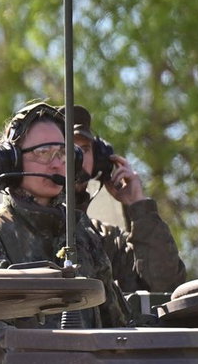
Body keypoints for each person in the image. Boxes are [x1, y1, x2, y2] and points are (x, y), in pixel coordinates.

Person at [0, 101, 130, 329]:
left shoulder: (80, 230)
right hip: (21, 363)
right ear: (12, 160)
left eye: (62, 153)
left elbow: (117, 325)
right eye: (43, 153)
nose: (57, 164)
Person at [70, 106, 187, 296]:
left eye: (84, 149)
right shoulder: (13, 228)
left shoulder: (104, 240)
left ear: (99, 161)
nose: (78, 158)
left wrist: (138, 205)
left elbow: (166, 287)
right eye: (68, 150)